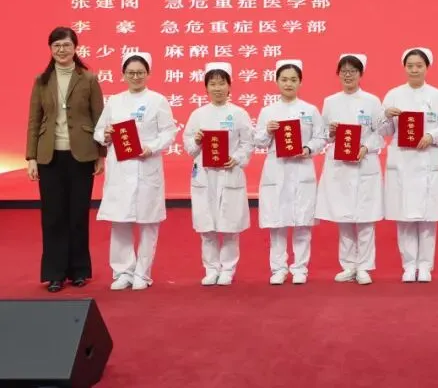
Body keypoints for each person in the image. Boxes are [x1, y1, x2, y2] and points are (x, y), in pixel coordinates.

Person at [26, 26, 105, 293]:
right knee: (53, 216)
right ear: (50, 49)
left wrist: (101, 155)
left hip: (81, 154)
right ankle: (55, 273)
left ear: (75, 48)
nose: (62, 50)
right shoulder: (42, 80)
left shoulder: (89, 79)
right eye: (57, 45)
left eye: (66, 45)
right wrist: (31, 157)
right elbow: (34, 120)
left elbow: (99, 118)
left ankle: (79, 271)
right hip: (49, 156)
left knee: (78, 214)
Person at [93, 52, 178, 291]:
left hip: (146, 165)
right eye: (131, 73)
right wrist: (105, 135)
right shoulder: (114, 101)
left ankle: (143, 272)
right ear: (123, 75)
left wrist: (151, 147)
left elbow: (169, 132)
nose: (136, 76)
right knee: (120, 221)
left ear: (148, 74)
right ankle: (123, 272)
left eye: (140, 72)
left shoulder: (157, 100)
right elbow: (99, 131)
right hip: (120, 169)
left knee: (148, 222)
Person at [379, 47, 438, 283]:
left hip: (428, 160)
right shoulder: (393, 95)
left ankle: (426, 265)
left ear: (426, 67)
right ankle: (409, 265)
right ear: (404, 67)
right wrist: (386, 116)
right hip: (403, 162)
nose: (414, 70)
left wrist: (432, 135)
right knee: (404, 217)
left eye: (419, 66)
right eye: (410, 66)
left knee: (428, 217)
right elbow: (384, 131)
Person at [254, 59, 327, 285]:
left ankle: (300, 268)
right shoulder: (268, 111)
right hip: (276, 170)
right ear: (276, 82)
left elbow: (321, 137)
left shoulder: (310, 110)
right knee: (277, 223)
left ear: (300, 82)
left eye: (293, 80)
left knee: (302, 222)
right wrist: (268, 131)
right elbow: (258, 141)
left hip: (301, 168)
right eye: (284, 79)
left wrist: (308, 148)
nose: (288, 84)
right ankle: (278, 268)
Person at [182, 62, 254, 286]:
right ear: (206, 88)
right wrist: (196, 141)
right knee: (207, 226)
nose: (217, 88)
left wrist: (237, 158)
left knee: (230, 226)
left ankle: (228, 269)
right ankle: (211, 268)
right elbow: (189, 147)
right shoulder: (198, 114)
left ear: (229, 86)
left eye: (222, 83)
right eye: (212, 84)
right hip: (205, 176)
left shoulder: (239, 113)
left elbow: (248, 143)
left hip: (229, 172)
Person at [316, 53, 385, 285]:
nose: (348, 75)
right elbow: (323, 135)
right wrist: (331, 132)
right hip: (340, 166)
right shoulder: (330, 101)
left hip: (365, 164)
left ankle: (364, 266)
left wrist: (366, 147)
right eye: (344, 71)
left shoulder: (372, 101)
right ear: (338, 74)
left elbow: (380, 133)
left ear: (360, 74)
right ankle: (348, 265)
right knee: (343, 217)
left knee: (365, 218)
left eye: (353, 71)